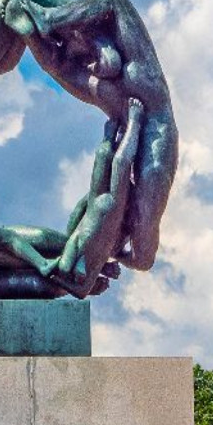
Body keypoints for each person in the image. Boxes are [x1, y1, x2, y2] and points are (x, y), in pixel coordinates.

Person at [18, 0, 178, 272]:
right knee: (143, 247)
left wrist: (31, 32)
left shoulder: (105, 205)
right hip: (154, 130)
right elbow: (143, 259)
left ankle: (50, 19)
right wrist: (106, 257)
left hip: (149, 127)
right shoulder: (122, 75)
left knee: (109, 0)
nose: (89, 61)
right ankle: (51, 20)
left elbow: (56, 64)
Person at [55, 98, 144, 298]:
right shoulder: (94, 263)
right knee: (120, 162)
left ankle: (112, 134)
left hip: (97, 201)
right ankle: (134, 124)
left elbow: (77, 212)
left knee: (104, 155)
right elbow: (80, 291)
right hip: (111, 206)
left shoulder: (73, 242)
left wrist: (55, 272)